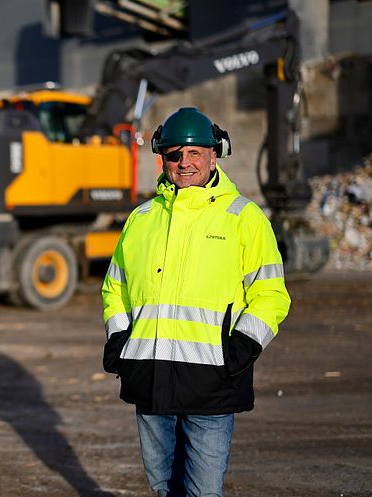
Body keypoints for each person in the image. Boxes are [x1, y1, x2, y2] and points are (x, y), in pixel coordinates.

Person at [101, 107, 290, 497]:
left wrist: (242, 347)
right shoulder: (142, 219)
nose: (184, 163)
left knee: (203, 491)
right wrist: (119, 338)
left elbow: (270, 293)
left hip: (212, 382)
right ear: (163, 157)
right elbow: (114, 287)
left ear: (213, 155)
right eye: (174, 154)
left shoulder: (244, 218)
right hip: (149, 379)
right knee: (162, 485)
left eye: (194, 153)